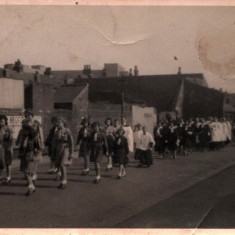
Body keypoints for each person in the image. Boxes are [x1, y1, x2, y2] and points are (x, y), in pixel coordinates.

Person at [16, 110, 44, 196]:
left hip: (32, 150)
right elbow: (18, 141)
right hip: (25, 151)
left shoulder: (36, 126)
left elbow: (40, 136)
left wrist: (41, 145)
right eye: (26, 116)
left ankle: (31, 185)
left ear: (32, 115)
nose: (27, 117)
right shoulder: (22, 131)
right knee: (27, 169)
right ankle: (31, 182)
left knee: (28, 169)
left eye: (28, 116)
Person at [52, 117, 74, 189]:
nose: (57, 124)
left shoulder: (67, 131)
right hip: (58, 149)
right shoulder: (56, 131)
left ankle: (64, 181)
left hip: (65, 149)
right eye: (56, 123)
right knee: (59, 165)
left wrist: (71, 152)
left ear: (63, 123)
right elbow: (54, 142)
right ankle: (62, 179)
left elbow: (71, 142)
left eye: (59, 123)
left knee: (62, 165)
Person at [0, 115, 14, 184]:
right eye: (0, 121)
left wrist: (9, 147)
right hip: (1, 148)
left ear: (5, 121)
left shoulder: (8, 128)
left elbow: (11, 139)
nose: (1, 123)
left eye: (2, 121)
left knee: (8, 163)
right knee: (1, 163)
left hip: (7, 147)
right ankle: (1, 177)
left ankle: (8, 177)